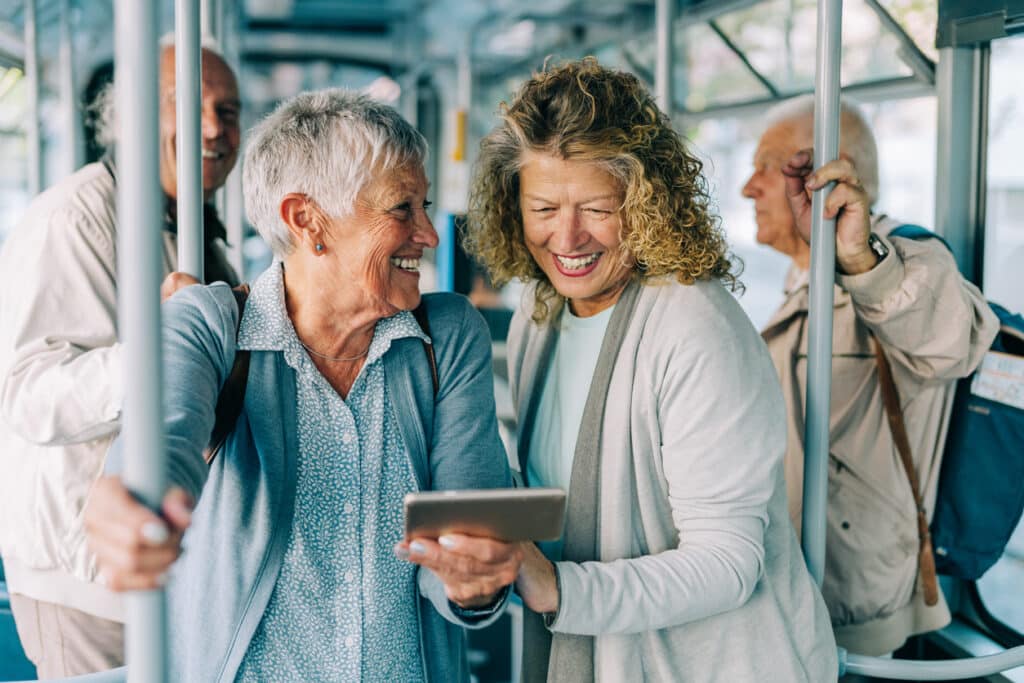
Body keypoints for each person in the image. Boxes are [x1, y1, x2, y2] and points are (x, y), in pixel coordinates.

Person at [84, 89, 522, 682]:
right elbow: (159, 444)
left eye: (425, 206)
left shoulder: (446, 336)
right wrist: (134, 504)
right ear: (306, 219)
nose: (429, 233)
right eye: (401, 209)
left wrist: (474, 584)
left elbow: (468, 533)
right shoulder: (209, 326)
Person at [460, 58, 838, 681]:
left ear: (647, 202)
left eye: (598, 209)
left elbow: (727, 563)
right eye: (544, 207)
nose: (568, 237)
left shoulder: (694, 325)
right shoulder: (540, 314)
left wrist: (554, 586)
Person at [0, 39, 241, 677]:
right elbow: (29, 393)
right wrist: (168, 348)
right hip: (85, 577)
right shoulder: (74, 220)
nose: (214, 129)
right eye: (188, 107)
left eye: (230, 111)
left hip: (159, 566)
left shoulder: (192, 225)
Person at [742, 95, 999, 657]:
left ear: (819, 173)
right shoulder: (802, 275)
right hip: (792, 583)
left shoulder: (902, 259)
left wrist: (860, 260)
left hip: (851, 601)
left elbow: (947, 338)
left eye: (766, 166)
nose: (748, 188)